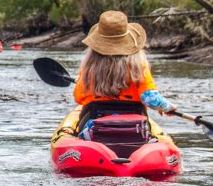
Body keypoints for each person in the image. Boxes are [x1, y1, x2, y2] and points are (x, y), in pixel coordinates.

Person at [73, 11, 175, 140]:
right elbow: (150, 98)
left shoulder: (88, 69)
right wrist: (167, 107)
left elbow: (78, 98)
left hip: (93, 127)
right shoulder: (139, 68)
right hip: (135, 129)